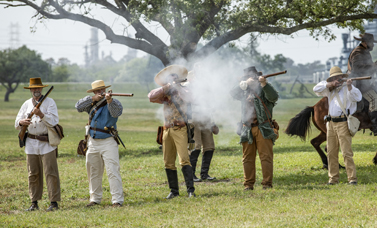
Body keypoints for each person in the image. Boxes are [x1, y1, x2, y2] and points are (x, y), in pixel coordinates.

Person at [148, 65, 196, 199]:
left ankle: (190, 190)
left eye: (174, 77)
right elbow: (151, 97)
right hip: (167, 129)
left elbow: (190, 99)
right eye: (170, 77)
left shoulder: (185, 90)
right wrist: (166, 88)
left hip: (180, 128)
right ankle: (174, 191)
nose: (172, 79)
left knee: (184, 160)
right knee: (168, 162)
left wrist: (177, 88)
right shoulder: (164, 91)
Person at [75, 80, 124, 207]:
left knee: (113, 171)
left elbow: (116, 113)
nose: (100, 92)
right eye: (97, 91)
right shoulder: (91, 103)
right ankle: (95, 199)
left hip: (108, 140)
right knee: (93, 171)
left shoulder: (113, 102)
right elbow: (78, 107)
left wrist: (109, 101)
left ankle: (117, 200)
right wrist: (93, 98)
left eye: (102, 90)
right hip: (92, 141)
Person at [15, 77, 61, 212]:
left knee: (51, 172)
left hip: (46, 142)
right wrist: (21, 122)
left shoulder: (50, 102)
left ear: (42, 89)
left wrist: (41, 114)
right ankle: (34, 202)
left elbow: (54, 121)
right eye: (34, 88)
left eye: (38, 88)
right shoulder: (26, 104)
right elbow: (16, 122)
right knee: (33, 173)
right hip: (30, 142)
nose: (36, 90)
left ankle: (54, 202)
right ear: (31, 90)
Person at [230, 66, 279, 190]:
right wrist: (245, 83)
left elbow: (273, 97)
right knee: (247, 159)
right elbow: (232, 93)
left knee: (266, 157)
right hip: (247, 128)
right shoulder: (244, 90)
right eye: (247, 78)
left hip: (263, 128)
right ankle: (248, 184)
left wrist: (264, 84)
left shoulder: (264, 89)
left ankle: (267, 184)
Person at [313, 66, 362, 185]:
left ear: (342, 77)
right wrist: (330, 85)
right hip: (330, 123)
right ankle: (333, 179)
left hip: (343, 123)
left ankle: (352, 179)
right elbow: (316, 89)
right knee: (331, 152)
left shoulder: (349, 88)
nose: (337, 79)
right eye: (334, 78)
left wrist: (349, 86)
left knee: (346, 152)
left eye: (339, 77)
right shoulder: (330, 89)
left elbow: (357, 97)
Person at [186, 69, 217, 182]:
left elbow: (210, 105)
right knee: (196, 146)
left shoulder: (206, 87)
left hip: (206, 117)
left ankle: (204, 173)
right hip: (193, 117)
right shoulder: (188, 85)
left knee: (209, 146)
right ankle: (191, 174)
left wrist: (213, 122)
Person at [347, 33, 377, 135]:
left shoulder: (364, 51)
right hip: (359, 84)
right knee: (374, 99)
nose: (372, 45)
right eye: (371, 43)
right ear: (365, 43)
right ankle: (375, 126)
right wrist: (374, 65)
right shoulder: (358, 53)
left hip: (366, 82)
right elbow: (357, 68)